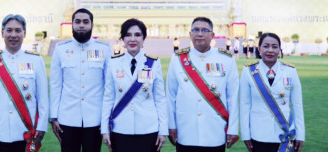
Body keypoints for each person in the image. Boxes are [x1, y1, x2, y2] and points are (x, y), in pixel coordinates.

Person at [0, 14, 48, 152]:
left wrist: (42, 126)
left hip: (26, 132)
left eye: (18, 30)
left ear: (24, 33)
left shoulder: (36, 60)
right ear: (2, 33)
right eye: (9, 30)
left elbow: (43, 98)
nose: (13, 35)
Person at [166, 17, 239, 152]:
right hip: (186, 131)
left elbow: (233, 97)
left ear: (212, 35)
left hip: (215, 131)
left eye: (204, 30)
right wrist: (171, 125)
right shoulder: (177, 59)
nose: (199, 33)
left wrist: (233, 128)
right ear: (190, 34)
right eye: (196, 30)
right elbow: (171, 96)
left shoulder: (226, 59)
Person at [49, 8, 112, 152]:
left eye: (85, 22)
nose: (81, 25)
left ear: (92, 25)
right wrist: (53, 117)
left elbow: (109, 87)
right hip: (67, 118)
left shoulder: (104, 49)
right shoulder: (61, 50)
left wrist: (106, 117)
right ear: (72, 25)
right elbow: (55, 85)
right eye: (77, 22)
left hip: (95, 119)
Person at [101, 18, 167, 152]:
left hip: (148, 129)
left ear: (144, 38)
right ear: (122, 39)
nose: (132, 39)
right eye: (128, 35)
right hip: (120, 128)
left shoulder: (154, 63)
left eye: (137, 35)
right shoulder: (113, 63)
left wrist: (163, 130)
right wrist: (104, 129)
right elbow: (108, 97)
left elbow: (160, 98)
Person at [240, 33, 305, 152]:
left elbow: (297, 105)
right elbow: (245, 105)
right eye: (266, 46)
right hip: (258, 134)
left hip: (284, 132)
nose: (270, 50)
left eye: (274, 47)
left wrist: (300, 134)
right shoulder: (248, 71)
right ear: (259, 49)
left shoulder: (291, 71)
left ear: (280, 50)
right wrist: (245, 135)